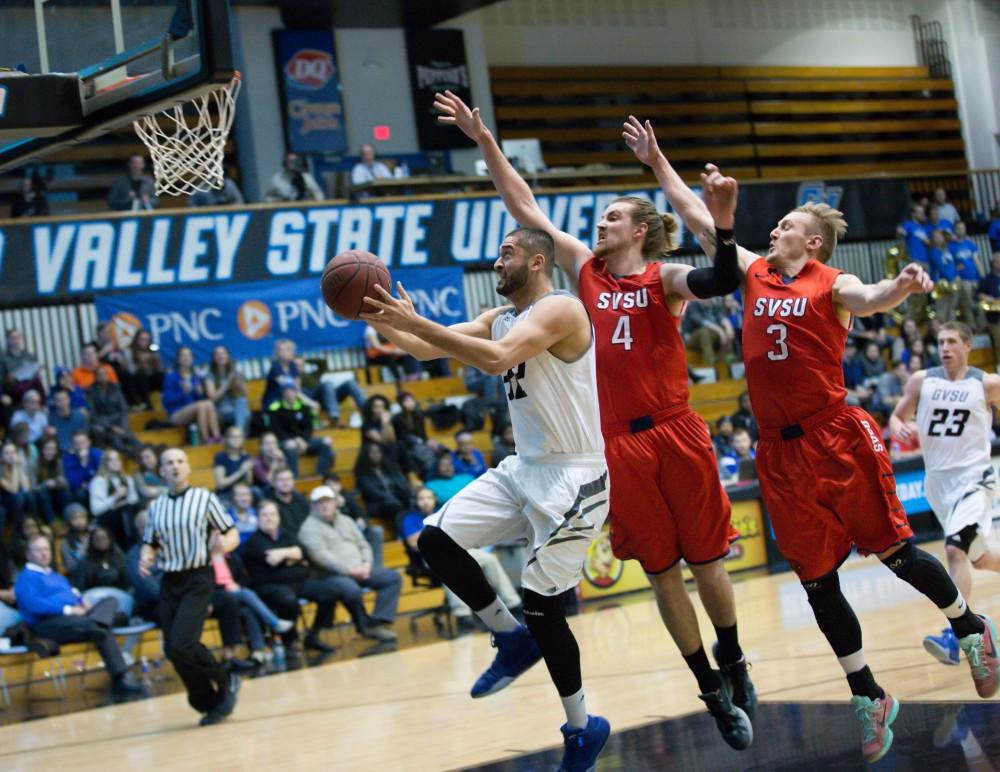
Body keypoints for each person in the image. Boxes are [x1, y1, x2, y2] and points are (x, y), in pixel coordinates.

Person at [434, 92, 752, 750]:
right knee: (663, 573)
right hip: (615, 447)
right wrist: (484, 137)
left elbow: (724, 280)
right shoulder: (587, 273)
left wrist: (722, 225)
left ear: (639, 229)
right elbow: (524, 205)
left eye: (611, 217)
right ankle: (710, 690)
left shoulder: (664, 278)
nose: (599, 225)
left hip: (675, 430)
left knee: (708, 564)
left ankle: (735, 659)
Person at [657, 151, 998, 762]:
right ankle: (868, 694)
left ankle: (970, 628)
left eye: (784, 225)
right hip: (778, 453)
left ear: (812, 241)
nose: (773, 231)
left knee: (895, 554)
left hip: (835, 436)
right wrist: (655, 159)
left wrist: (901, 286)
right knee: (817, 583)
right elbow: (696, 216)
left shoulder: (831, 281)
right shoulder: (756, 270)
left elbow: (870, 297)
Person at [361, 225, 613, 772]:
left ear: (539, 261)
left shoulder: (562, 309)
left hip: (576, 476)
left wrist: (413, 321)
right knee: (435, 538)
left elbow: (496, 359)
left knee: (543, 603)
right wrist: (384, 322)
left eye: (507, 253)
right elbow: (430, 347)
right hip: (525, 468)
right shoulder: (500, 317)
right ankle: (509, 637)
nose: (497, 262)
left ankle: (582, 728)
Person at [890, 322, 1000, 664]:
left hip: (974, 479)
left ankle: (959, 635)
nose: (945, 348)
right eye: (941, 342)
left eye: (952, 342)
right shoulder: (922, 380)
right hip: (938, 484)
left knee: (954, 550)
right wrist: (900, 427)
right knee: (979, 558)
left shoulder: (987, 384)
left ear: (968, 346)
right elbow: (896, 418)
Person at [138, 448, 241, 725]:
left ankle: (226, 676)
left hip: (198, 576)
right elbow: (151, 541)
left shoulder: (204, 498)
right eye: (168, 462)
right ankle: (208, 701)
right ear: (161, 471)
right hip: (169, 580)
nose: (174, 466)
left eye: (180, 461)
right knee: (173, 649)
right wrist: (146, 555)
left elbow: (232, 532)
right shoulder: (156, 507)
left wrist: (224, 545)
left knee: (183, 642)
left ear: (188, 468)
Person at [15, 534, 141, 696]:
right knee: (100, 625)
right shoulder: (25, 578)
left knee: (110, 601)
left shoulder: (56, 576)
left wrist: (82, 602)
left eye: (46, 549)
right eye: (38, 550)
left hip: (77, 619)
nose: (44, 553)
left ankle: (99, 623)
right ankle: (122, 677)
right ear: (29, 555)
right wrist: (69, 610)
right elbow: (34, 605)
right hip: (48, 624)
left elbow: (73, 594)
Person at [240, 499, 345, 654]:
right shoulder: (254, 541)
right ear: (258, 518)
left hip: (298, 581)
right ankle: (289, 640)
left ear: (279, 517)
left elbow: (301, 552)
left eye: (273, 514)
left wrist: (283, 554)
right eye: (265, 515)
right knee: (287, 599)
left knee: (330, 592)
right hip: (269, 585)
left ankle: (313, 636)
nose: (269, 518)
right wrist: (290, 554)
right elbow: (272, 560)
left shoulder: (287, 534)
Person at [297, 485, 400, 643]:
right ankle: (363, 626)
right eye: (319, 502)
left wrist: (366, 563)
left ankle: (378, 622)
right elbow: (321, 557)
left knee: (392, 578)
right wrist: (350, 571)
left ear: (335, 502)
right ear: (312, 506)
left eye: (328, 501)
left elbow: (363, 544)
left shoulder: (346, 520)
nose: (324, 505)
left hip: (361, 568)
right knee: (351, 590)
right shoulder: (307, 528)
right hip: (331, 575)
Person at [266, 381, 334, 478]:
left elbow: (309, 428)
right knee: (291, 447)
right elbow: (276, 430)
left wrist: (304, 440)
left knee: (327, 441)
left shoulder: (303, 407)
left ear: (296, 392)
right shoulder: (276, 408)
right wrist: (294, 440)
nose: (289, 394)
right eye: (286, 391)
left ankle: (320, 475)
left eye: (291, 391)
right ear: (282, 393)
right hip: (285, 441)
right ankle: (295, 478)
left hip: (303, 441)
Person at [161, 346, 221, 444]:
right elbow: (166, 401)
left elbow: (199, 400)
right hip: (176, 413)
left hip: (195, 410)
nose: (186, 358)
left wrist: (200, 393)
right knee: (201, 405)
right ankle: (205, 438)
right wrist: (183, 393)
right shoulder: (171, 377)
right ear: (178, 359)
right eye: (183, 355)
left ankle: (216, 435)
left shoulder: (195, 377)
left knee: (208, 403)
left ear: (192, 359)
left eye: (189, 355)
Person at [71, 526, 134, 617]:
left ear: (110, 540)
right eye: (97, 538)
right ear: (92, 542)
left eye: (104, 538)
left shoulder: (120, 560)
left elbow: (128, 584)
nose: (101, 541)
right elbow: (79, 588)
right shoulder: (84, 563)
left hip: (120, 601)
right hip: (94, 604)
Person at [90, 449, 140, 548]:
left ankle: (132, 546)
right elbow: (96, 510)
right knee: (123, 514)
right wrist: (115, 497)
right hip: (107, 518)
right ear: (105, 463)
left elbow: (134, 499)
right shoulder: (99, 481)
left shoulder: (127, 479)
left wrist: (124, 502)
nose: (116, 462)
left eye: (118, 459)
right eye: (111, 460)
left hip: (125, 513)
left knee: (129, 512)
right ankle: (127, 546)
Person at [87, 365, 139, 456]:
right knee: (116, 441)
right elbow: (93, 414)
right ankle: (134, 455)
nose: (102, 376)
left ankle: (144, 451)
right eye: (99, 374)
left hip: (118, 420)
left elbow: (123, 408)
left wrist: (123, 426)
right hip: (104, 424)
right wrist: (111, 427)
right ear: (95, 377)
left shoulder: (115, 387)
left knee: (131, 438)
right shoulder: (91, 391)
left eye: (104, 374)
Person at [204, 345, 250, 436]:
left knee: (242, 402)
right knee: (245, 414)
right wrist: (227, 383)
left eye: (223, 353)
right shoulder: (210, 376)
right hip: (221, 409)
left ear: (228, 356)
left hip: (236, 407)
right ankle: (240, 435)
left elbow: (245, 395)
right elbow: (212, 398)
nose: (221, 356)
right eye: (217, 354)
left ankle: (238, 433)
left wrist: (240, 384)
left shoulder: (235, 372)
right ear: (214, 358)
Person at [949, 222, 984, 330]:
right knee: (968, 305)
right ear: (955, 230)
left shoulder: (970, 244)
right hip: (963, 280)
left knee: (980, 304)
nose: (961, 230)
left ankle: (982, 326)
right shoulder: (951, 246)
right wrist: (956, 271)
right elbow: (950, 264)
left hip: (975, 278)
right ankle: (972, 328)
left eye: (963, 228)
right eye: (959, 228)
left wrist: (982, 276)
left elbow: (977, 261)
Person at [123, 329, 164, 411]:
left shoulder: (152, 349)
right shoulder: (129, 351)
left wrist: (155, 359)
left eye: (147, 339)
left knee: (161, 375)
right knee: (141, 376)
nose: (144, 342)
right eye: (142, 339)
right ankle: (147, 404)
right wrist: (140, 363)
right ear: (136, 340)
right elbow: (131, 371)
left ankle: (162, 400)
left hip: (151, 379)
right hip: (137, 381)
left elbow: (160, 369)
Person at [33, 436, 70, 525]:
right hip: (40, 495)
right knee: (43, 495)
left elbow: (67, 485)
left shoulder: (59, 462)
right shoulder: (34, 463)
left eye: (53, 449)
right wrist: (45, 485)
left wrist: (61, 482)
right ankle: (53, 523)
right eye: (47, 449)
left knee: (65, 494)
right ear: (42, 449)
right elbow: (31, 487)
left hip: (55, 492)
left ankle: (66, 521)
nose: (50, 452)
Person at [212, 426, 254, 501]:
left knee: (256, 491)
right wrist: (241, 471)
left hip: (242, 492)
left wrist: (248, 471)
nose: (236, 440)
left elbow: (249, 483)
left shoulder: (246, 456)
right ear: (227, 439)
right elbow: (220, 484)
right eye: (233, 437)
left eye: (239, 437)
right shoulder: (220, 457)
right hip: (226, 493)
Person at [64, 430, 101, 504]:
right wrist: (83, 462)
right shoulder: (69, 458)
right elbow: (74, 483)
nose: (80, 446)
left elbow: (102, 473)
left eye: (83, 442)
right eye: (76, 443)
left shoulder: (97, 453)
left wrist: (89, 484)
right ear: (72, 445)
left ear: (89, 442)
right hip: (80, 492)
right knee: (78, 493)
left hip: (98, 487)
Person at [928, 229, 958, 323]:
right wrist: (950, 279)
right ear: (933, 240)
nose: (939, 239)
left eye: (940, 236)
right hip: (940, 285)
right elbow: (940, 267)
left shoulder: (947, 251)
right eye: (936, 237)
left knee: (951, 309)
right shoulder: (933, 252)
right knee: (942, 310)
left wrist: (956, 276)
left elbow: (952, 265)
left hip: (951, 283)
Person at [270, 468, 310, 533]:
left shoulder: (302, 501)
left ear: (293, 482)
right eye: (281, 480)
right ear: (273, 483)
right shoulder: (270, 505)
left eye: (288, 479)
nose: (285, 483)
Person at [49, 388, 89, 452]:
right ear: (55, 402)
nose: (62, 402)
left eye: (64, 399)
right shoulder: (51, 418)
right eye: (58, 400)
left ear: (69, 400)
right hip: (61, 451)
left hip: (79, 448)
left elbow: (85, 435)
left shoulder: (79, 416)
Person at [59, 502, 91, 576]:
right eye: (74, 518)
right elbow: (71, 567)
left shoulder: (94, 534)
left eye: (82, 517)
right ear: (68, 521)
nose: (79, 521)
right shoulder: (64, 542)